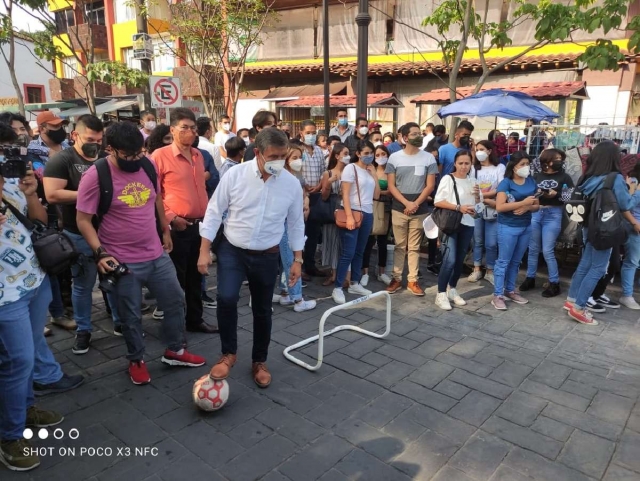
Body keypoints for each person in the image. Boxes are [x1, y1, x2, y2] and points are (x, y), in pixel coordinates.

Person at [76, 121, 205, 385]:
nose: (136, 159)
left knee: (175, 300)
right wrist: (100, 252)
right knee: (131, 315)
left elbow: (156, 198)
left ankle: (175, 350)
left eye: (139, 153)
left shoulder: (147, 164)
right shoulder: (96, 175)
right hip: (122, 260)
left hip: (156, 253)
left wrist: (165, 230)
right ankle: (136, 359)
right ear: (111, 149)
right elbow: (83, 220)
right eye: (129, 155)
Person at [198, 128, 305, 388]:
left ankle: (259, 360)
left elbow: (295, 223)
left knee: (262, 309)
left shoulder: (291, 183)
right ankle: (228, 354)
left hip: (267, 254)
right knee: (226, 298)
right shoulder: (235, 175)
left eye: (283, 155)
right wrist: (204, 249)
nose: (279, 161)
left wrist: (297, 259)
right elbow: (214, 211)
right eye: (273, 156)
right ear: (257, 153)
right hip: (232, 250)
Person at [0, 145, 69, 471]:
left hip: (34, 281)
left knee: (24, 358)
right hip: (4, 296)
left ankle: (25, 408)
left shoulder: (11, 180)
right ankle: (10, 435)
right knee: (19, 360)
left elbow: (40, 222)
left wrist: (29, 195)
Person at [44, 114, 121, 353]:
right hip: (77, 233)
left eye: (99, 140)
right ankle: (84, 330)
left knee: (117, 281)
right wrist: (90, 194)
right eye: (90, 138)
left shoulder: (108, 159)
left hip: (109, 232)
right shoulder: (62, 160)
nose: (95, 144)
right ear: (75, 135)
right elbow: (53, 194)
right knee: (83, 286)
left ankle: (121, 322)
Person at [151, 108, 218, 334]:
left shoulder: (199, 156)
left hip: (200, 225)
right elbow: (154, 193)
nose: (190, 132)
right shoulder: (159, 156)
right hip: (177, 227)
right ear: (172, 129)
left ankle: (195, 320)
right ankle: (175, 327)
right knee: (176, 281)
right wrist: (171, 218)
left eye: (193, 128)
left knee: (196, 276)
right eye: (184, 128)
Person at [565, 141, 640, 325]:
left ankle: (572, 300)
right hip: (604, 229)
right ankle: (579, 308)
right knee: (598, 268)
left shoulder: (587, 177)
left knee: (585, 264)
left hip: (587, 227)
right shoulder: (614, 179)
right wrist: (632, 189)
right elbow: (626, 205)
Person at [386, 122, 438, 296]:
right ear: (405, 137)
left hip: (420, 208)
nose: (419, 136)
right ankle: (396, 278)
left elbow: (430, 186)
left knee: (414, 246)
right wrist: (406, 203)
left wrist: (415, 203)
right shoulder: (394, 158)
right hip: (399, 207)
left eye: (420, 133)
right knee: (399, 245)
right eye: (415, 134)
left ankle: (413, 280)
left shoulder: (428, 158)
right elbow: (392, 186)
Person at [519, 149, 573, 297]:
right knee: (533, 248)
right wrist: (538, 194)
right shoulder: (536, 176)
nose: (559, 161)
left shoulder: (565, 177)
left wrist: (558, 194)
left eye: (560, 159)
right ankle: (530, 278)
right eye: (555, 158)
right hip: (536, 212)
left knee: (548, 249)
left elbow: (571, 197)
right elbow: (528, 193)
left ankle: (554, 283)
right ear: (547, 161)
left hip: (553, 214)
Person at [332, 140, 381, 304]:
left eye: (371, 153)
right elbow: (345, 194)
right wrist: (350, 216)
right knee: (348, 252)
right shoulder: (350, 168)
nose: (369, 156)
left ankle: (355, 282)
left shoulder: (368, 171)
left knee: (360, 251)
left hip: (368, 213)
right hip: (353, 212)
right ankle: (338, 287)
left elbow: (377, 195)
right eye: (366, 153)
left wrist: (374, 173)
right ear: (358, 153)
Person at [492, 152, 539, 310]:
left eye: (527, 163)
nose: (526, 167)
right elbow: (500, 207)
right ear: (514, 167)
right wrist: (522, 203)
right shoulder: (506, 183)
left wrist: (526, 206)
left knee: (516, 261)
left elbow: (536, 205)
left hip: (526, 226)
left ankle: (510, 290)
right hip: (508, 227)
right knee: (503, 261)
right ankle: (498, 294)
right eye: (522, 164)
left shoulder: (531, 181)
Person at [433, 151, 480, 310]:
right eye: (460, 163)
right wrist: (459, 207)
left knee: (460, 259)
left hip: (468, 223)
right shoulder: (448, 178)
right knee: (450, 259)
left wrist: (478, 201)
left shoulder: (473, 181)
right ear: (455, 163)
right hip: (451, 223)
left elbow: (478, 207)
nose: (464, 166)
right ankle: (440, 293)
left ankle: (452, 289)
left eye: (467, 163)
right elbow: (438, 201)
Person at [275, 144, 316, 312]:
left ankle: (286, 293)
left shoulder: (296, 176)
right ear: (285, 159)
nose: (298, 161)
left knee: (288, 259)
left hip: (294, 222)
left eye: (300, 157)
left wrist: (305, 202)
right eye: (294, 157)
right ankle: (298, 299)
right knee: (291, 259)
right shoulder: (280, 177)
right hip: (284, 223)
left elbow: (303, 193)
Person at [468, 140, 504, 285]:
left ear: (489, 151)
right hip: (476, 209)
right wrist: (481, 197)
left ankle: (490, 270)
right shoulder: (473, 168)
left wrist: (483, 196)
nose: (479, 152)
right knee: (477, 240)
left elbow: (501, 188)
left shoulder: (499, 167)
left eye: (482, 149)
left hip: (493, 208)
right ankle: (476, 268)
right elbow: (470, 187)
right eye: (477, 149)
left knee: (491, 243)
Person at [361, 143, 392, 286]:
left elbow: (392, 190)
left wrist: (379, 192)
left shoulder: (391, 171)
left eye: (383, 154)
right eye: (377, 155)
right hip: (370, 207)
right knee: (368, 241)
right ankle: (365, 272)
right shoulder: (368, 170)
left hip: (386, 209)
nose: (380, 157)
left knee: (383, 242)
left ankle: (382, 272)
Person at [299, 120, 327, 278]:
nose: (311, 135)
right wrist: (305, 188)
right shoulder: (298, 150)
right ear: (301, 133)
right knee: (300, 232)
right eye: (308, 132)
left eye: (313, 132)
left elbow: (324, 172)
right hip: (302, 196)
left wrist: (319, 186)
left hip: (316, 196)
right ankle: (300, 266)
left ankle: (310, 264)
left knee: (314, 233)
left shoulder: (318, 151)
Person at [320, 143, 349, 286]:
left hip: (347, 212)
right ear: (337, 156)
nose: (347, 156)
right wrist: (329, 183)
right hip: (332, 212)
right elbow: (324, 196)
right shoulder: (328, 173)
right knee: (331, 241)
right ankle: (333, 273)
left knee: (343, 243)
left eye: (348, 153)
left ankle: (343, 274)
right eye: (345, 153)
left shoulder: (351, 172)